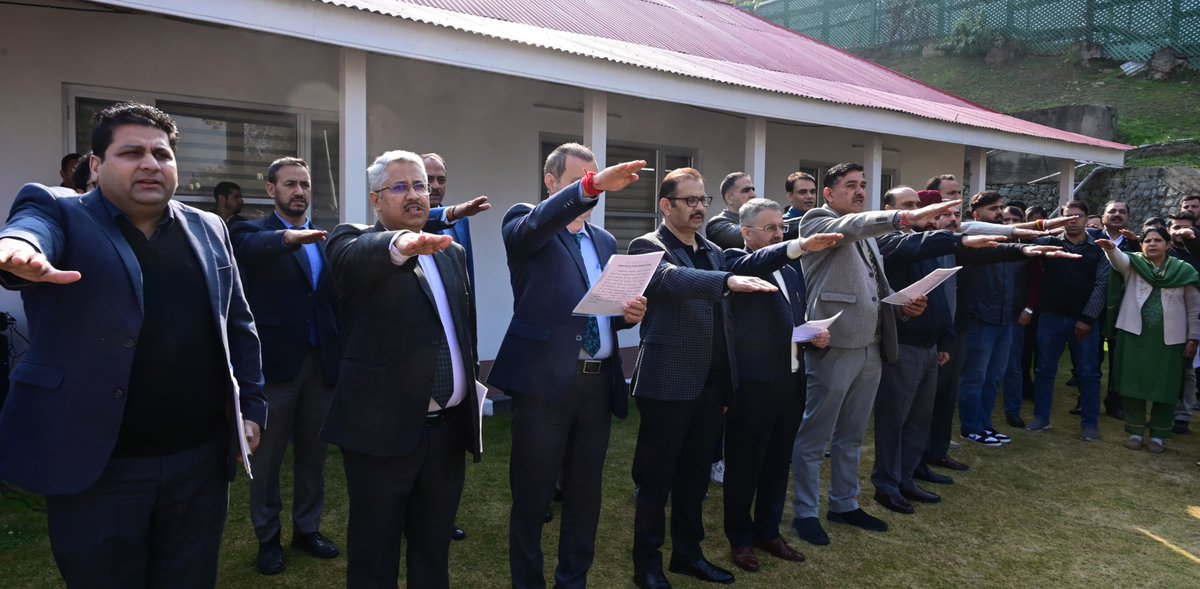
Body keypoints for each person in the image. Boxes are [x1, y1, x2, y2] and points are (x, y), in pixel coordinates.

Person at [0, 102, 266, 588]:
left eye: (161, 154)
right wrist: (21, 250)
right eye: (131, 152)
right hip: (99, 468)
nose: (150, 163)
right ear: (97, 166)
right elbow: (30, 231)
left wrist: (252, 406)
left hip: (198, 464)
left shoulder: (208, 228)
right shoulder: (60, 209)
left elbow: (238, 325)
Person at [488, 143, 648, 589]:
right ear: (552, 182)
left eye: (595, 177)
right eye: (581, 178)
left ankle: (572, 580)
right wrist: (590, 186)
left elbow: (601, 309)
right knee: (533, 495)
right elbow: (533, 228)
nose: (593, 186)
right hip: (544, 386)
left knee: (585, 494)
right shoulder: (524, 221)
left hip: (596, 386)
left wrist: (627, 313)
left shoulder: (603, 240)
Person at [322, 149, 482, 589]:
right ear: (376, 200)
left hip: (446, 435)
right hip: (381, 436)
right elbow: (354, 259)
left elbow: (460, 330)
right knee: (375, 556)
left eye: (421, 186)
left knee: (433, 551)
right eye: (400, 186)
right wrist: (398, 244)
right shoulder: (351, 242)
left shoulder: (452, 254)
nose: (414, 194)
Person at [628, 167, 790, 589]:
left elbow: (734, 299)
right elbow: (669, 279)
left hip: (712, 385)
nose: (699, 207)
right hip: (667, 383)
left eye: (703, 200)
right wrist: (727, 280)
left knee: (695, 479)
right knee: (656, 481)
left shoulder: (714, 250)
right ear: (666, 205)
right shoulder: (648, 245)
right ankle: (647, 565)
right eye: (690, 200)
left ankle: (688, 554)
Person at [791, 164, 955, 547]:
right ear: (828, 194)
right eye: (850, 186)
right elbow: (852, 228)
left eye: (863, 185)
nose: (859, 191)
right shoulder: (817, 221)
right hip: (834, 345)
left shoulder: (867, 234)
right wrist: (901, 217)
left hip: (872, 346)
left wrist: (900, 308)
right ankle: (805, 511)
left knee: (851, 436)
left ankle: (844, 504)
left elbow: (875, 287)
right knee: (816, 436)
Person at [231, 157, 341, 575]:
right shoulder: (252, 232)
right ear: (270, 190)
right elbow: (247, 249)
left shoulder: (325, 238)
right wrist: (289, 238)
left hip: (321, 365)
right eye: (290, 184)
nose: (299, 191)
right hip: (276, 368)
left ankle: (307, 529)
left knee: (314, 456)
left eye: (305, 184)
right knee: (268, 459)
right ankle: (268, 537)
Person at [722, 198, 837, 573]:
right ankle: (739, 537)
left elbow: (792, 319)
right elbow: (755, 264)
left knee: (777, 461)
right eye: (770, 228)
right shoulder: (733, 261)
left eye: (780, 228)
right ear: (746, 232)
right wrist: (796, 245)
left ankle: (767, 531)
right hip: (753, 384)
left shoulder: (792, 270)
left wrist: (812, 336)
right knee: (745, 463)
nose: (778, 234)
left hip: (791, 379)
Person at [1098, 227, 1200, 453]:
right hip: (1134, 334)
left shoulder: (1184, 270)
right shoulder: (1135, 265)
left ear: (1168, 244)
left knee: (1166, 387)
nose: (1152, 244)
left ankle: (1158, 435)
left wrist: (1193, 338)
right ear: (1141, 245)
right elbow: (1119, 261)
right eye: (1148, 241)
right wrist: (1111, 249)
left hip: (1170, 341)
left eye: (1158, 240)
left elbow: (1194, 308)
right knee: (1133, 384)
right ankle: (1135, 431)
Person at [1025, 201, 1110, 441]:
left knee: (1088, 373)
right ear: (1060, 218)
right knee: (1044, 370)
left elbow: (1102, 284)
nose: (1073, 220)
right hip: (1050, 317)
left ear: (1086, 219)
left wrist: (1087, 318)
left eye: (1078, 216)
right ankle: (1041, 418)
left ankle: (1090, 424)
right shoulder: (1048, 243)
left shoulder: (1098, 248)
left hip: (1084, 321)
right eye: (1068, 216)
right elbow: (1021, 247)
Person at [705, 171, 757, 249]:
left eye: (753, 189)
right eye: (746, 190)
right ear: (729, 198)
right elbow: (745, 235)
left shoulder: (753, 220)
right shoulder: (717, 224)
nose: (753, 195)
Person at [782, 171, 818, 239]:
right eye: (803, 192)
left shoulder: (822, 220)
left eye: (812, 192)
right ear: (790, 196)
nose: (810, 196)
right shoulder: (782, 226)